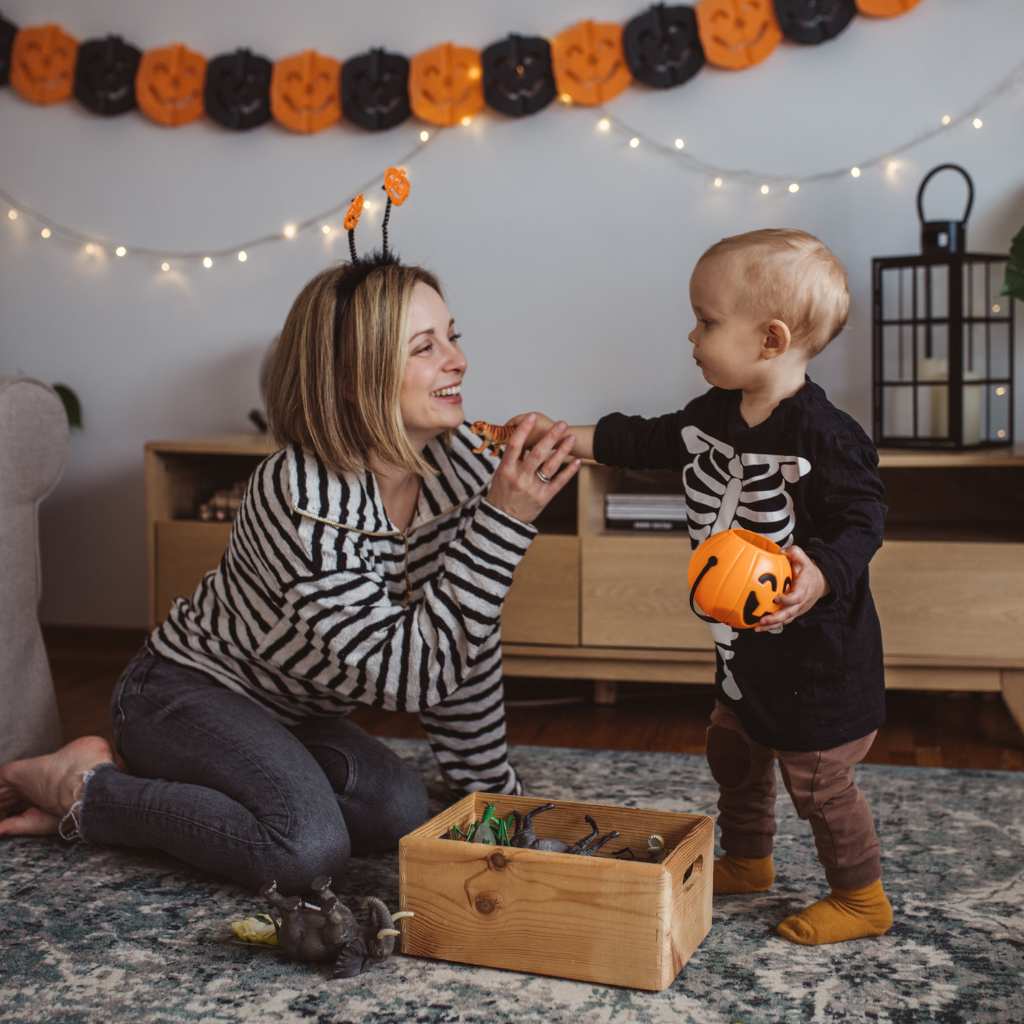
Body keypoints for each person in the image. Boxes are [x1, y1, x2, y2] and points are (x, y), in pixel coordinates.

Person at [0, 175, 580, 892]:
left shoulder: (458, 467)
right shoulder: (301, 497)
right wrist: (504, 522)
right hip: (187, 692)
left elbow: (460, 646)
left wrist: (491, 798)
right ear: (351, 377)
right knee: (306, 850)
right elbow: (406, 676)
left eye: (452, 338)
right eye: (424, 347)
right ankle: (88, 788)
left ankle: (224, 779)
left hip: (297, 713)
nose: (457, 360)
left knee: (401, 808)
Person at [513, 228, 893, 945]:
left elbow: (864, 516)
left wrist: (821, 572)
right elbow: (645, 440)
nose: (692, 334)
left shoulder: (828, 436)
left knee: (818, 785)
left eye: (708, 321)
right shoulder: (714, 414)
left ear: (771, 338)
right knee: (736, 754)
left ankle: (861, 896)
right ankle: (749, 860)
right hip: (745, 657)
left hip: (821, 667)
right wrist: (561, 437)